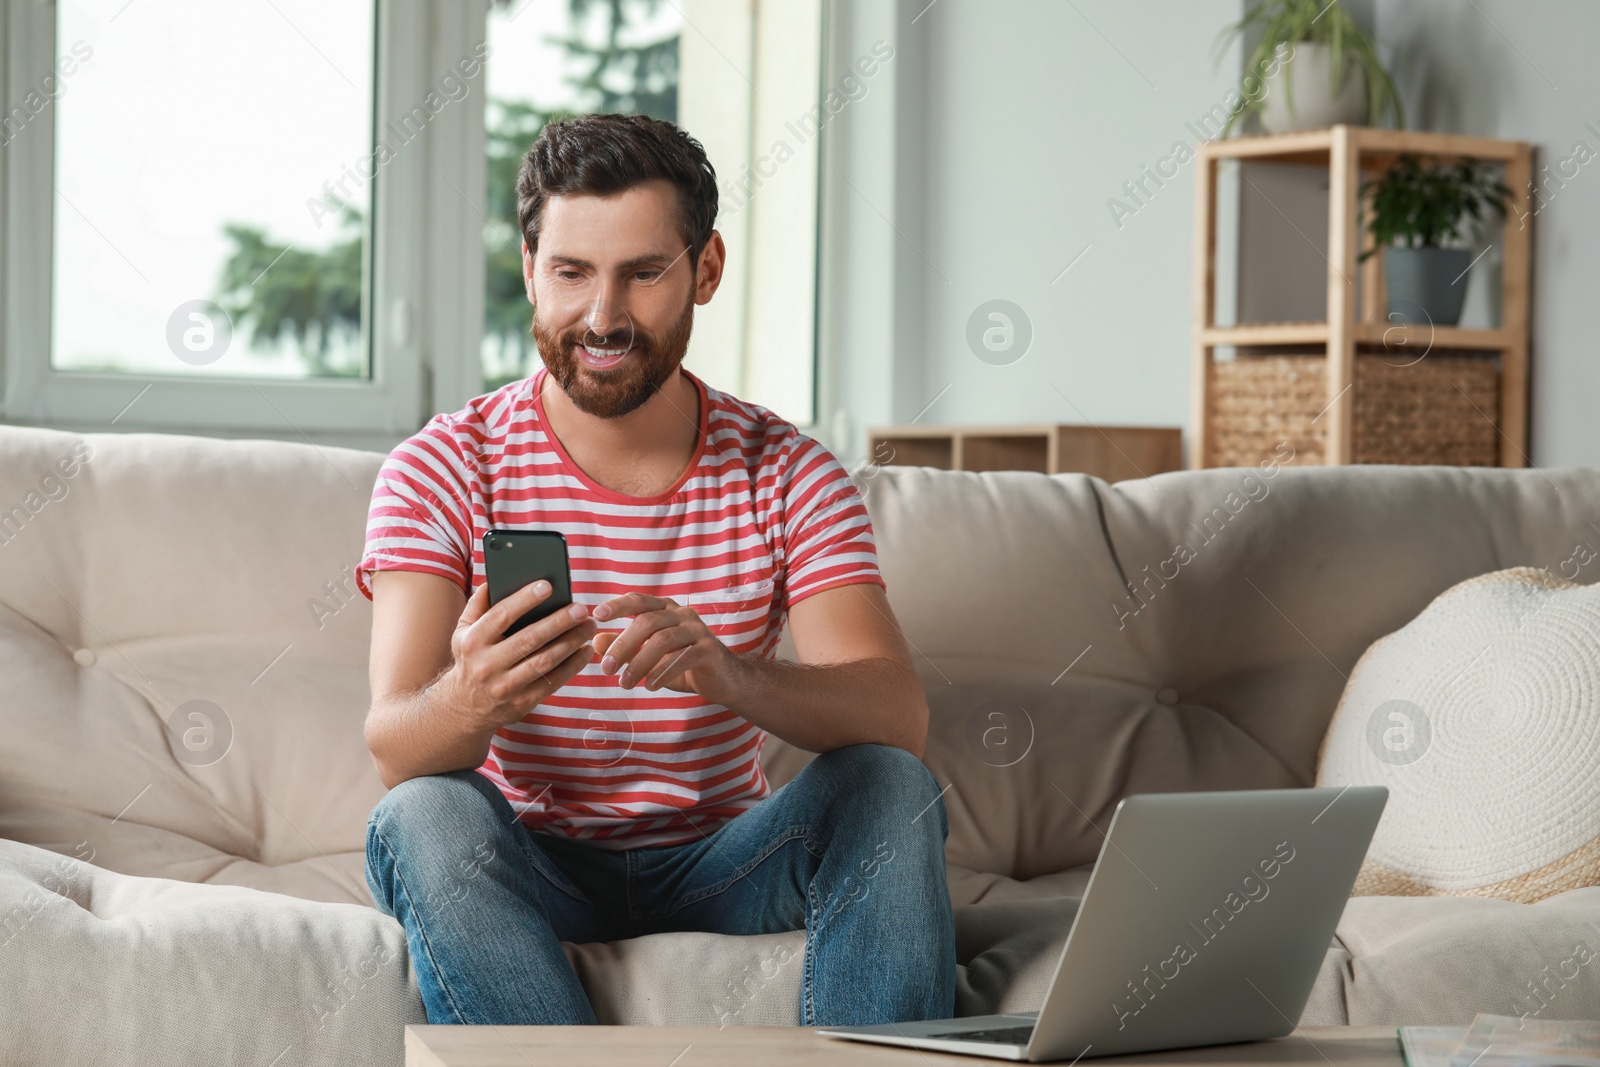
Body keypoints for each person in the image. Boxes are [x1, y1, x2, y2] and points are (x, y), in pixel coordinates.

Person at [355, 113, 955, 1028]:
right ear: (529, 267)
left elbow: (895, 715)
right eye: (570, 273)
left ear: (704, 271)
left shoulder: (787, 470)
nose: (602, 317)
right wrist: (474, 695)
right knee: (424, 815)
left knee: (890, 786)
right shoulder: (444, 466)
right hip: (533, 859)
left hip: (726, 860)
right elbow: (397, 742)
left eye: (643, 274)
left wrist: (728, 672)